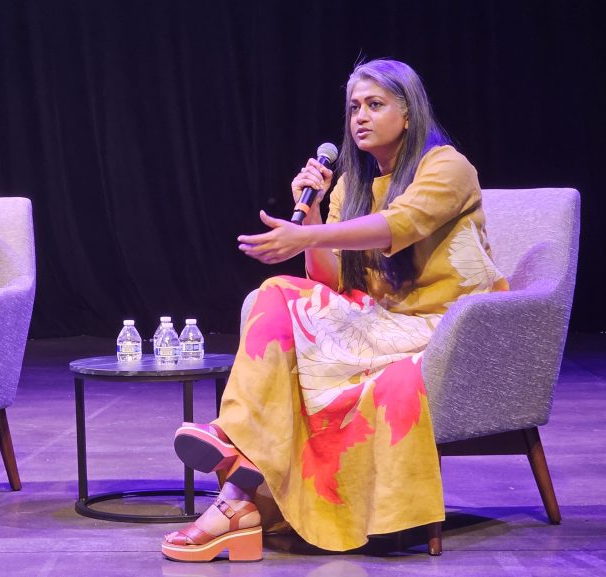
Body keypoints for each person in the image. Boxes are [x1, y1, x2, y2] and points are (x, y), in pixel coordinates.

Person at [161, 59, 508, 562]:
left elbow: (397, 226)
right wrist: (318, 209)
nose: (360, 117)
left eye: (374, 104)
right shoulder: (354, 184)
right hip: (381, 321)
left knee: (292, 318)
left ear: (408, 113)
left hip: (451, 326)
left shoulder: (446, 166)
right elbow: (329, 280)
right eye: (353, 108)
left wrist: (306, 233)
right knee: (276, 290)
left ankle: (235, 459)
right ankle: (236, 458)